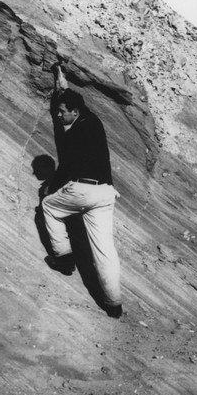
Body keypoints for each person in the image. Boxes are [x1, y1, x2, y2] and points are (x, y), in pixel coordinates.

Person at [41, 65, 122, 318]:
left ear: (74, 113)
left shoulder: (75, 133)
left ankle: (63, 258)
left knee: (49, 207)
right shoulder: (93, 121)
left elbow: (66, 167)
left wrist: (50, 187)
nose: (58, 116)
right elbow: (75, 104)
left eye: (62, 112)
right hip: (106, 193)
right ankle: (113, 303)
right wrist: (62, 86)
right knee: (105, 249)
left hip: (83, 190)